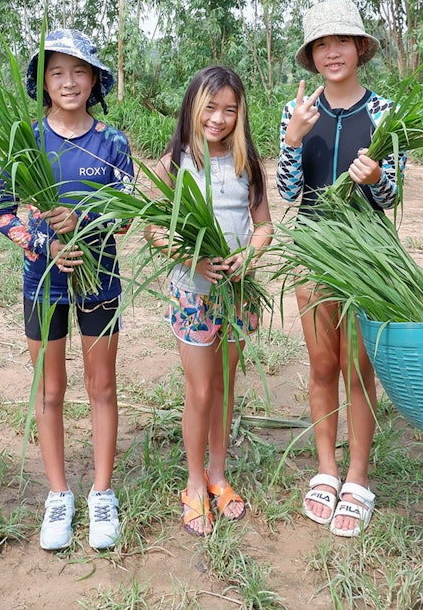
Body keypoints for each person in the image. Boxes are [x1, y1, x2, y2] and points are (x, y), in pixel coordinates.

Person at [0, 28, 134, 551]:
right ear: (43, 83)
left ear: (94, 79)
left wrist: (85, 219)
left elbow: (128, 216)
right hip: (42, 283)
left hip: (102, 279)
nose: (68, 82)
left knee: (102, 387)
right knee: (50, 392)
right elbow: (2, 213)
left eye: (79, 71)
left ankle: (100, 493)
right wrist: (42, 242)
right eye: (56, 72)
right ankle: (59, 495)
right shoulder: (26, 140)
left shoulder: (112, 142)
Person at [276, 0, 402, 537]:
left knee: (358, 367)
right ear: (312, 55)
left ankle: (357, 477)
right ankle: (326, 469)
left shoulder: (384, 111)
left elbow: (392, 194)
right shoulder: (297, 109)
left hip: (367, 254)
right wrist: (292, 141)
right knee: (323, 363)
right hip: (313, 250)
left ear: (359, 49)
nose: (333, 53)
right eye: (322, 45)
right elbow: (287, 192)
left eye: (342, 42)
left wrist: (375, 179)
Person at [147, 66, 272, 537]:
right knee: (200, 391)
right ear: (192, 108)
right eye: (210, 108)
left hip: (237, 295)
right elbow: (154, 228)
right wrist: (192, 259)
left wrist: (249, 254)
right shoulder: (172, 164)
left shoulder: (247, 164)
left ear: (240, 116)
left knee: (224, 384)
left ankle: (219, 476)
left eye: (229, 110)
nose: (218, 119)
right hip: (193, 295)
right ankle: (194, 484)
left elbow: (264, 225)